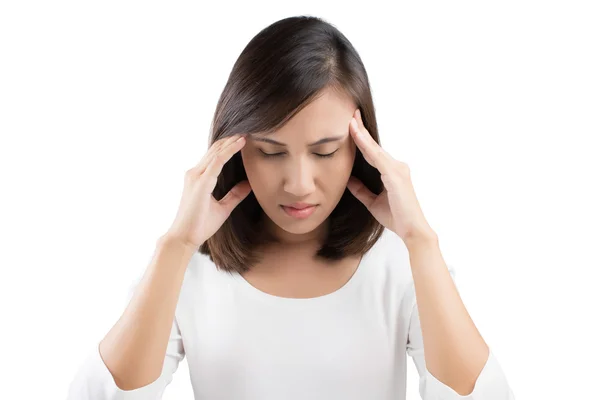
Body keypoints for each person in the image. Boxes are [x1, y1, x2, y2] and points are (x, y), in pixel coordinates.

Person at [67, 15, 515, 400]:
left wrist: (421, 241)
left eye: (324, 152)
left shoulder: (400, 264)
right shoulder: (188, 270)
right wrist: (176, 244)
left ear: (360, 150)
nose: (299, 185)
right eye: (270, 151)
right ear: (234, 148)